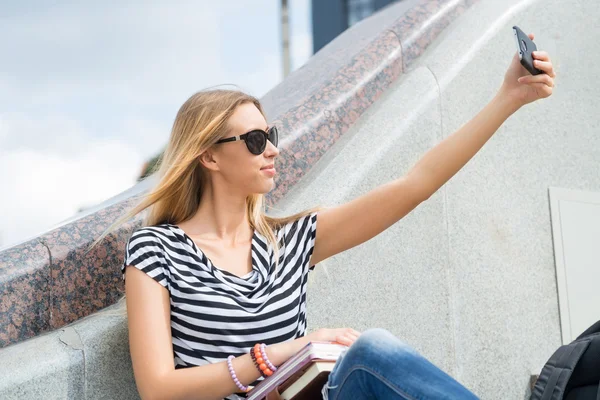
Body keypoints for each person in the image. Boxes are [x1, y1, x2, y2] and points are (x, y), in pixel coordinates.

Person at [97, 33, 555, 400]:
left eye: (270, 134)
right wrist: (288, 352)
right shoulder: (156, 251)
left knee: (371, 355)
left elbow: (414, 185)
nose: (272, 149)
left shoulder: (290, 241)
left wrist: (507, 99)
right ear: (209, 158)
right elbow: (158, 388)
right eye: (255, 141)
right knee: (369, 350)